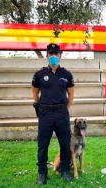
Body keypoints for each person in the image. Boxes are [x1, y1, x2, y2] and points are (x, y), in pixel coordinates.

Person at [32, 43, 75, 185]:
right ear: (47, 56)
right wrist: (42, 106)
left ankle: (65, 171)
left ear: (60, 55)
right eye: (51, 54)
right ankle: (42, 174)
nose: (54, 56)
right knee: (43, 144)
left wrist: (64, 109)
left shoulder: (67, 74)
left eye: (56, 53)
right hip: (46, 114)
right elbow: (35, 93)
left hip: (61, 113)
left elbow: (71, 94)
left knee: (65, 143)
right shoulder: (39, 74)